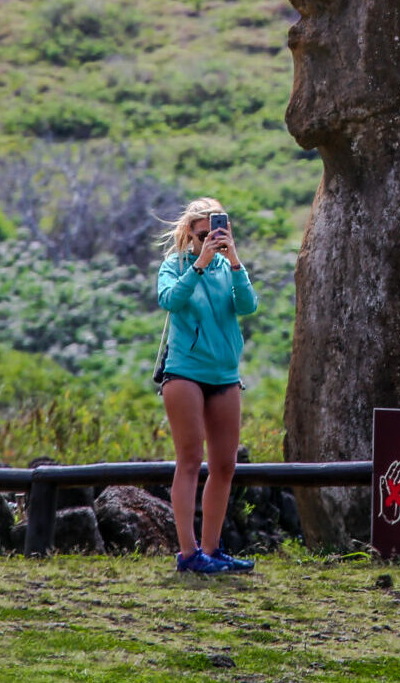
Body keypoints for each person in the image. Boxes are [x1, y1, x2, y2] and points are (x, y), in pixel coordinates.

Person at [155, 197, 259, 574]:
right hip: (185, 373)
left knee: (225, 464)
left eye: (218, 231)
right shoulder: (175, 266)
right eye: (205, 234)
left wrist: (234, 261)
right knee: (189, 460)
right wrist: (198, 265)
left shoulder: (227, 267)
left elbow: (247, 306)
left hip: (225, 375)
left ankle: (212, 550)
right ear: (190, 235)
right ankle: (188, 552)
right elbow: (169, 299)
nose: (212, 239)